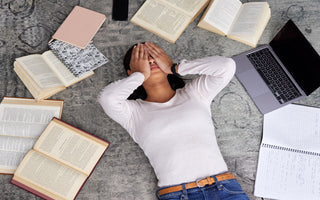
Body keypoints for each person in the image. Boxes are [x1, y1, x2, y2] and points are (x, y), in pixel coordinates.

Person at [98, 42, 249, 200]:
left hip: (224, 188)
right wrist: (140, 75)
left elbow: (226, 66)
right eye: (143, 60)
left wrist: (175, 67)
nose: (150, 61)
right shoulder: (132, 113)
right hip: (179, 195)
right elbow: (107, 98)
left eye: (154, 57)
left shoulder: (196, 93)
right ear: (131, 72)